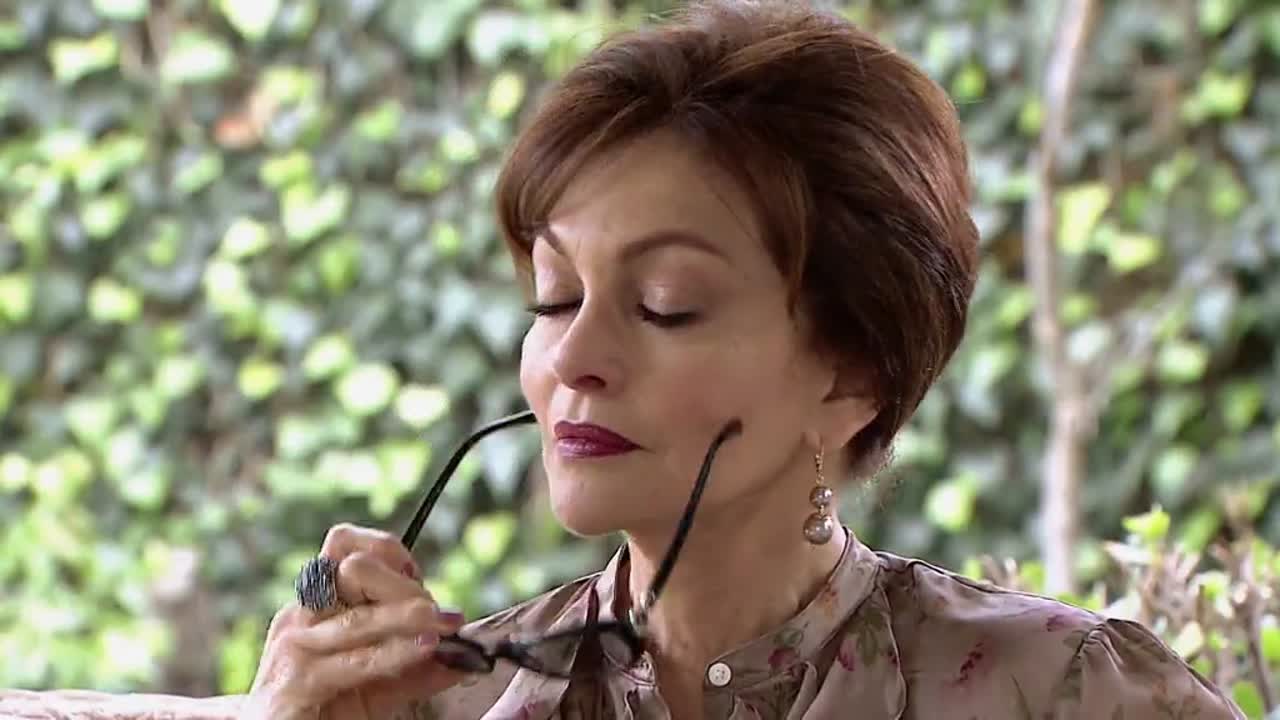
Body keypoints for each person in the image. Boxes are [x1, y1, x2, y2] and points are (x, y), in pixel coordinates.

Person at [242, 1, 1244, 719]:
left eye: (665, 305)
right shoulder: (439, 703)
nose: (574, 357)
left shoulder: (1073, 693)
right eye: (555, 297)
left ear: (852, 373)